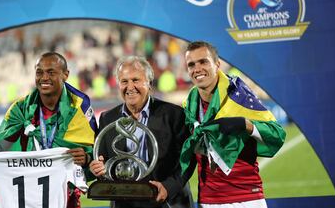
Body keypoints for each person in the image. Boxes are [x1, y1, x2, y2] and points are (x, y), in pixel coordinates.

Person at [0, 52, 98, 208]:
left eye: (51, 72)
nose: (44, 78)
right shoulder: (21, 108)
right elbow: (2, 143)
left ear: (65, 75)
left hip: (65, 198)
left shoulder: (79, 108)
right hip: (24, 194)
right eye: (39, 72)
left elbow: (95, 154)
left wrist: (86, 158)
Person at [180, 41, 286, 208]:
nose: (197, 68)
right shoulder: (189, 104)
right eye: (191, 64)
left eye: (203, 62)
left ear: (217, 64)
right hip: (207, 200)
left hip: (246, 198)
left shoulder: (239, 96)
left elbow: (277, 134)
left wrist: (246, 125)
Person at [89, 56, 193, 208]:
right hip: (125, 203)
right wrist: (97, 168)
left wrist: (168, 187)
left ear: (149, 84)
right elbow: (102, 160)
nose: (130, 87)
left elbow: (188, 160)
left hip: (167, 200)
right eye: (124, 81)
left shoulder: (174, 114)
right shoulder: (108, 118)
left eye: (136, 80)